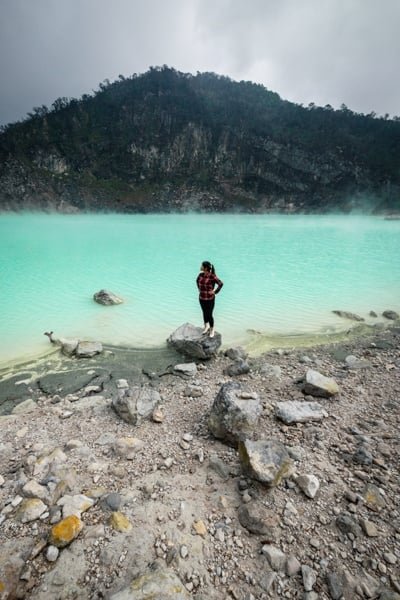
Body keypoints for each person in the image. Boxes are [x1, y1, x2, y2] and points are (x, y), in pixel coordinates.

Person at [196, 261, 223, 338]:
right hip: (201, 298)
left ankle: (212, 329)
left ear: (205, 268)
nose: (200, 266)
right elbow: (197, 281)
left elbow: (220, 284)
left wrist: (214, 292)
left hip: (210, 299)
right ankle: (206, 326)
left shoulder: (212, 276)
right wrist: (200, 289)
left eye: (201, 265)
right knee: (204, 312)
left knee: (209, 314)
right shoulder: (200, 275)